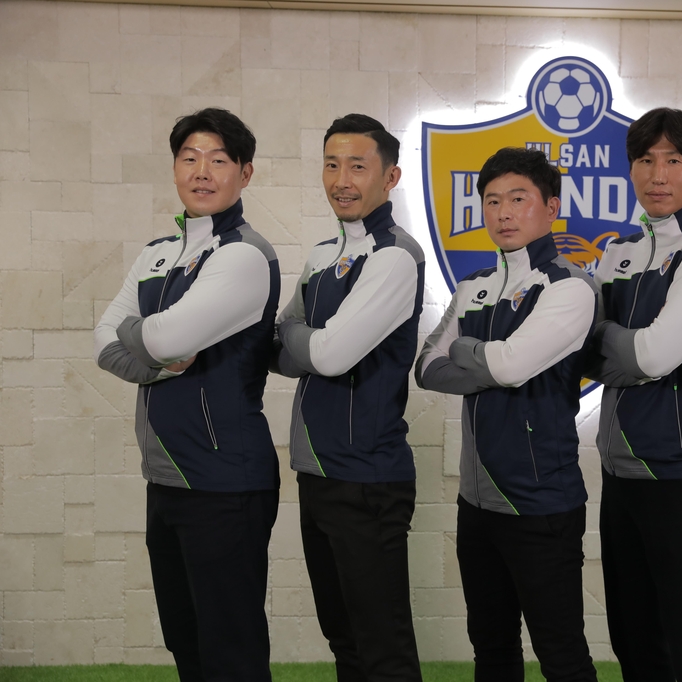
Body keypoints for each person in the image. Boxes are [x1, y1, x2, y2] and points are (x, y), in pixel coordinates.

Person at [93, 108, 280, 681]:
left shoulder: (244, 255)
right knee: (186, 643)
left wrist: (146, 338)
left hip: (225, 481)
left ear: (245, 173)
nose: (202, 171)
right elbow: (104, 340)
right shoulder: (156, 252)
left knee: (231, 652)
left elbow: (164, 338)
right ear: (175, 167)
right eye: (189, 158)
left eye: (219, 160)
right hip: (167, 477)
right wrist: (157, 362)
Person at [415, 147, 599, 682]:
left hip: (542, 504)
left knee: (562, 657)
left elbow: (511, 366)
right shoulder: (472, 285)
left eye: (518, 199)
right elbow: (426, 367)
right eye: (492, 201)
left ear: (551, 207)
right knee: (492, 651)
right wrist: (493, 363)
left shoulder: (569, 286)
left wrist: (469, 352)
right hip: (477, 503)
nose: (503, 213)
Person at [586, 107, 682, 682]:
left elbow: (653, 356)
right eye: (646, 160)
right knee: (634, 640)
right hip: (621, 473)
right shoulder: (619, 251)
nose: (658, 174)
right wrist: (623, 349)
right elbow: (583, 352)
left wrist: (611, 342)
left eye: (674, 160)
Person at [272, 113, 424, 681]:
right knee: (344, 639)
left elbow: (330, 355)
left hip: (367, 479)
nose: (342, 180)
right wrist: (307, 339)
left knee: (382, 648)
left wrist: (303, 336)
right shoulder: (321, 254)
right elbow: (279, 351)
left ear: (390, 177)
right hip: (318, 472)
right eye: (331, 165)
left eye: (358, 166)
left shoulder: (395, 256)